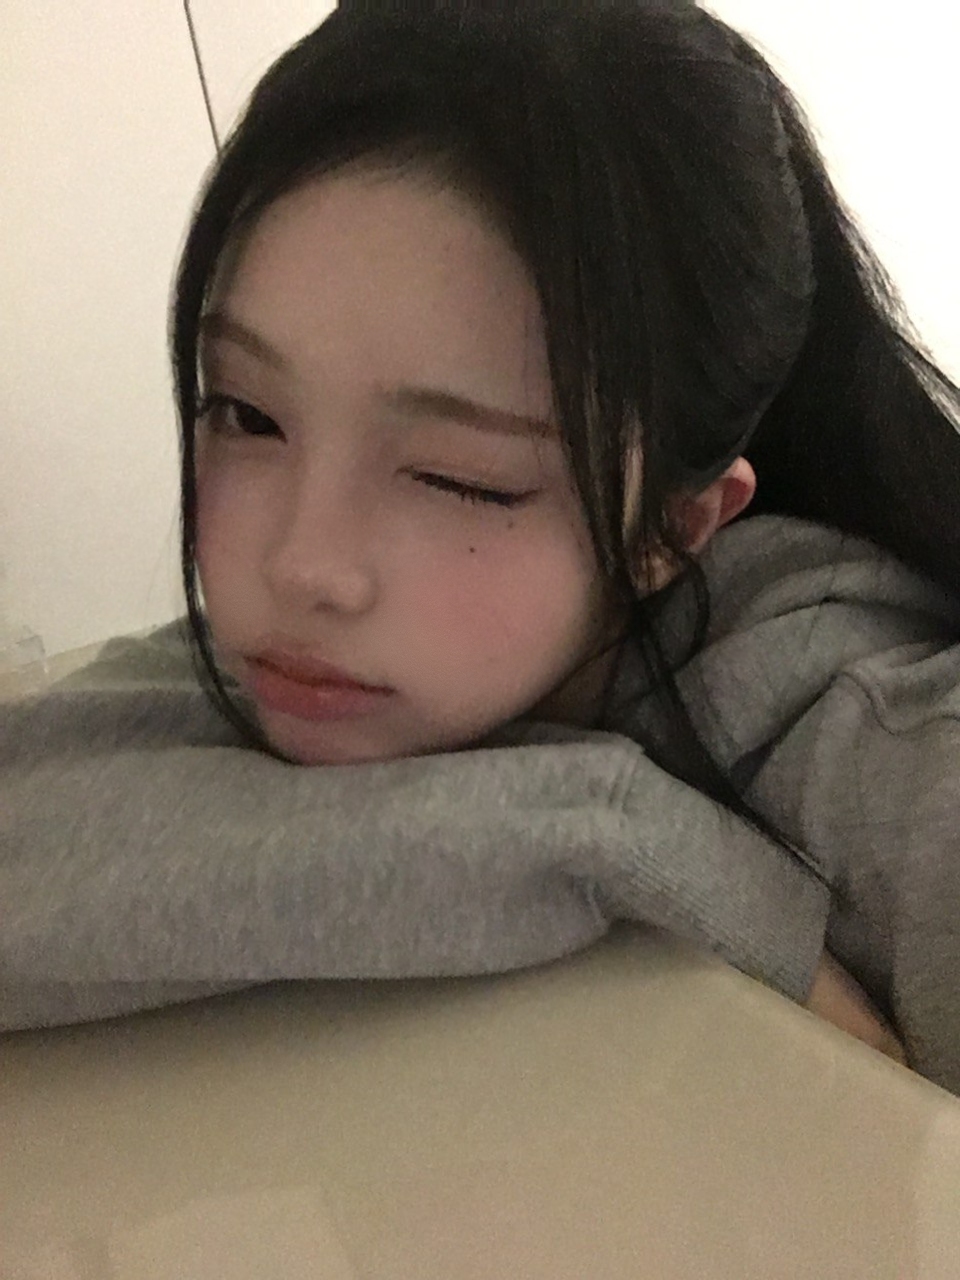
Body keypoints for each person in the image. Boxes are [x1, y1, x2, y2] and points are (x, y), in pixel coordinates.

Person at [4, 1, 959, 1089]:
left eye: (456, 476)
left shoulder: (896, 767)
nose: (302, 564)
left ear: (672, 529)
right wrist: (607, 838)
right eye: (247, 414)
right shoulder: (354, 658)